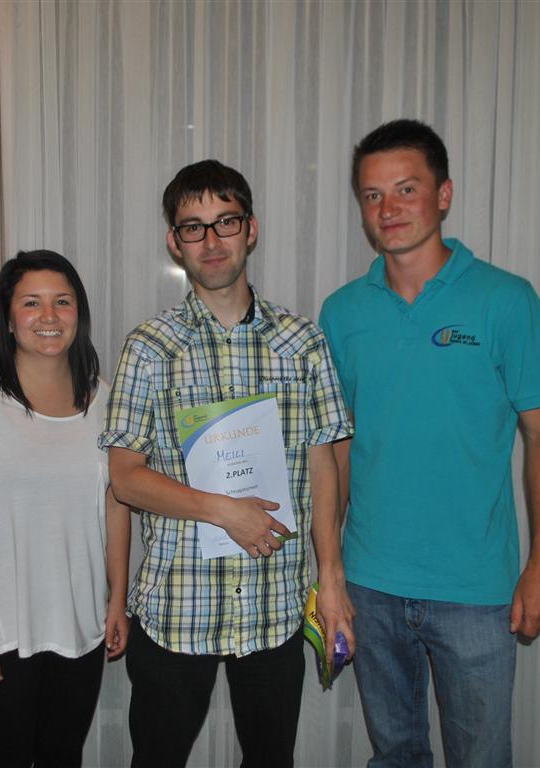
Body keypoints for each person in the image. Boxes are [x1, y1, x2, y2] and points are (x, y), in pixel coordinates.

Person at [319, 119, 540, 768]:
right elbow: (336, 449)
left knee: (481, 759)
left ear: (444, 194)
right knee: (395, 755)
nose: (389, 208)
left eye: (406, 189)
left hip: (475, 587)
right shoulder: (342, 313)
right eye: (373, 195)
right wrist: (330, 570)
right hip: (370, 582)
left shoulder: (505, 300)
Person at [99, 160, 355, 768]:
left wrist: (332, 579)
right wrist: (224, 511)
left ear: (251, 229)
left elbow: (324, 465)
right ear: (175, 242)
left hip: (274, 605)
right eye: (194, 227)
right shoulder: (149, 347)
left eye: (226, 222)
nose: (212, 241)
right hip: (177, 605)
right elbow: (125, 478)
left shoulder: (303, 342)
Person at [0, 250, 131, 768]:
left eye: (62, 302)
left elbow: (115, 504)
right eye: (31, 303)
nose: (49, 316)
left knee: (63, 757)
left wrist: (117, 599)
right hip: (0, 632)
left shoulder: (104, 402)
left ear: (78, 313)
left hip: (80, 628)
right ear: (7, 319)